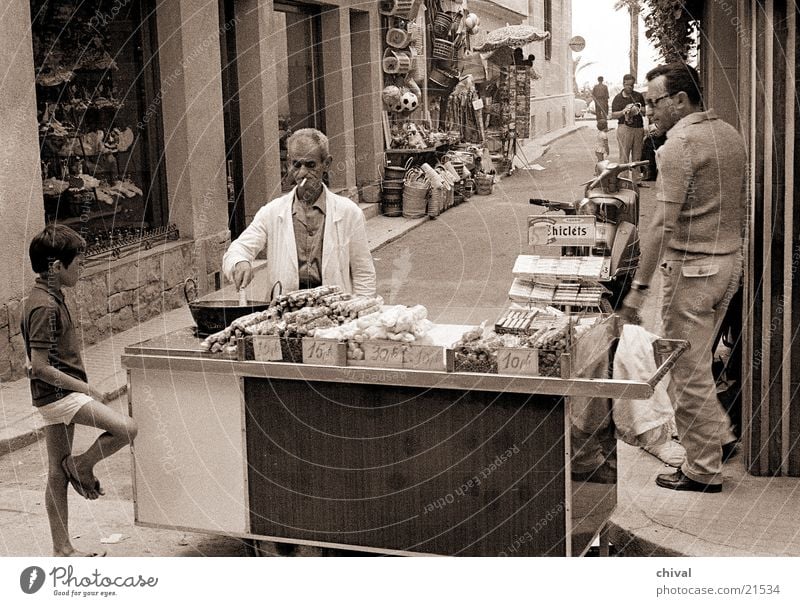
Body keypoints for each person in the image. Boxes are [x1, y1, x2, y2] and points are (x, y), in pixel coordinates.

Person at [620, 62, 746, 493]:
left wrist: (638, 288)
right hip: (728, 265)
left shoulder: (679, 145)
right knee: (699, 364)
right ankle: (716, 438)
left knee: (683, 370)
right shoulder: (729, 134)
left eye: (654, 101)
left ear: (680, 100)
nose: (648, 110)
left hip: (692, 271)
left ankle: (703, 469)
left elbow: (660, 225)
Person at [21, 224, 138, 556]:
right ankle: (83, 466)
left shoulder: (46, 297)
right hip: (61, 396)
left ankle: (62, 549)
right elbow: (40, 365)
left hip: (53, 395)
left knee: (56, 473)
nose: (83, 268)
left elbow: (33, 360)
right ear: (56, 266)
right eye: (80, 262)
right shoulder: (44, 305)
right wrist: (86, 388)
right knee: (127, 428)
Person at [223, 128, 377, 295]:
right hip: (285, 311)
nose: (302, 173)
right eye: (296, 165)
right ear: (288, 164)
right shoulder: (273, 212)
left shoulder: (349, 213)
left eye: (311, 165)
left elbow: (363, 273)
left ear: (326, 164)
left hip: (333, 310)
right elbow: (239, 248)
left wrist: (362, 311)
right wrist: (239, 262)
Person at [609, 74, 646, 184]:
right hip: (624, 128)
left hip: (638, 127)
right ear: (623, 84)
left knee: (637, 155)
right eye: (628, 85)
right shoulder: (618, 98)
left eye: (632, 85)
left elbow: (644, 111)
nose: (630, 87)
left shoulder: (638, 96)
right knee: (624, 155)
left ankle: (636, 180)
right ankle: (624, 180)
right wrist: (624, 111)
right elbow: (613, 115)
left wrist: (636, 110)